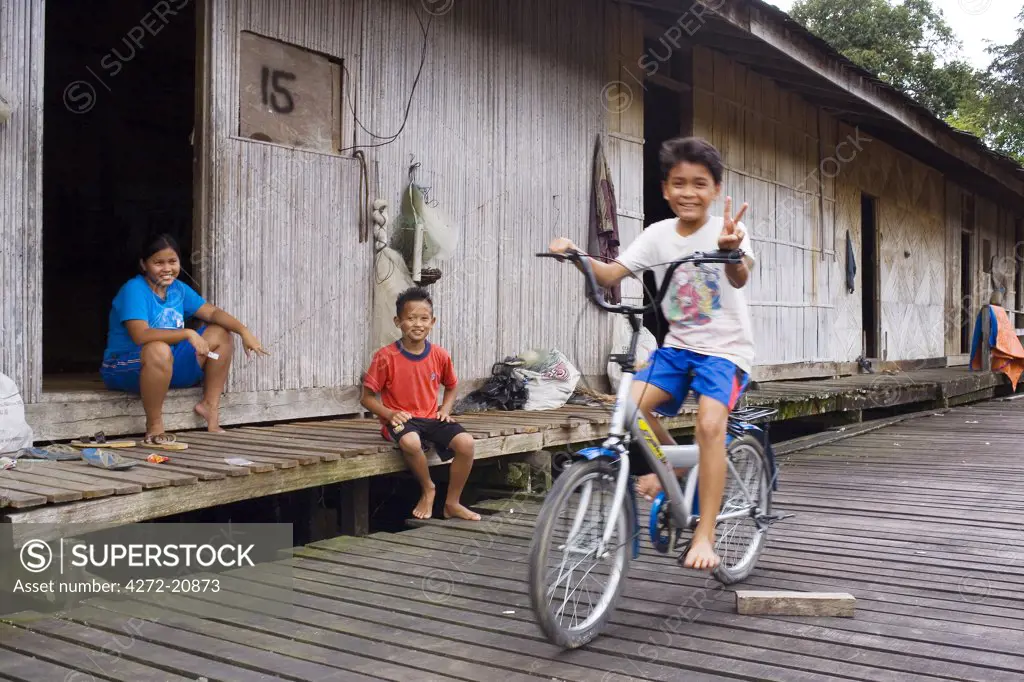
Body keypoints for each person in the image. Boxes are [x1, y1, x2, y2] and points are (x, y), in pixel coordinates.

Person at [547, 136, 756, 571]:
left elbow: (738, 277)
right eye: (679, 183)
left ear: (715, 190)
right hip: (677, 349)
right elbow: (609, 273)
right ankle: (674, 466)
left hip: (725, 353)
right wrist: (575, 255)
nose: (688, 193)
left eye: (700, 184)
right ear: (665, 189)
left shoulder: (727, 231)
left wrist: (731, 250)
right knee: (629, 408)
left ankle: (705, 535)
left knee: (709, 426)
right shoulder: (657, 234)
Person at [100, 233, 269, 444]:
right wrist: (188, 333)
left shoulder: (178, 289)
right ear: (144, 265)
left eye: (172, 261)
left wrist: (244, 331)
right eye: (158, 262)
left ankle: (209, 406)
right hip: (124, 366)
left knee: (220, 333)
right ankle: (154, 425)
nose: (167, 268)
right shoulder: (134, 289)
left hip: (166, 366)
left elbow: (213, 313)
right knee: (157, 348)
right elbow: (140, 335)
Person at [360, 287, 481, 522]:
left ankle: (452, 503)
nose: (418, 324)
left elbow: (452, 385)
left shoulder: (440, 355)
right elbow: (366, 398)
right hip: (402, 420)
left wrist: (445, 410)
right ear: (398, 321)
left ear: (433, 321)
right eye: (410, 318)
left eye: (424, 318)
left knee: (466, 443)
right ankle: (428, 489)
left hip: (431, 418)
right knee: (411, 441)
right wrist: (389, 413)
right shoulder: (385, 357)